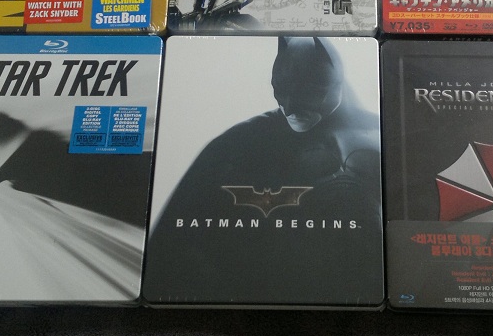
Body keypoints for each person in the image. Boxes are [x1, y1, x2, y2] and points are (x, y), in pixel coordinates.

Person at [143, 37, 382, 306]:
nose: (291, 107)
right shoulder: (237, 144)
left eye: (311, 93)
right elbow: (168, 252)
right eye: (283, 92)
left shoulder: (376, 138)